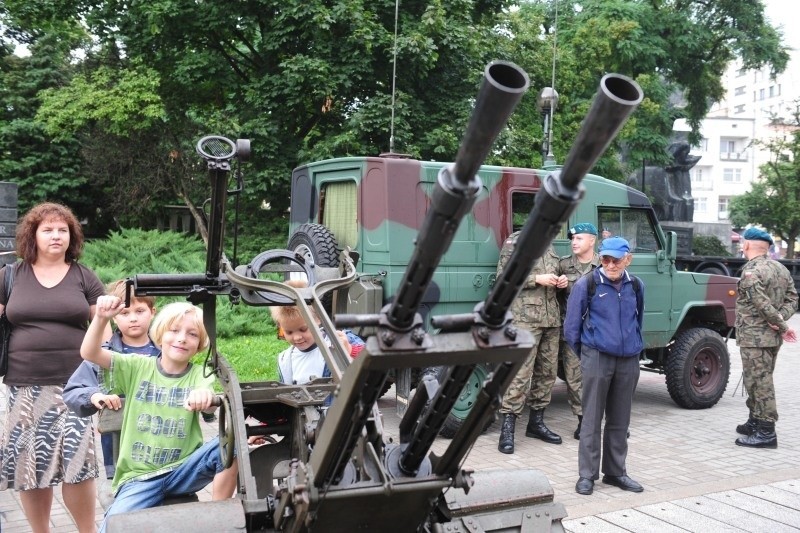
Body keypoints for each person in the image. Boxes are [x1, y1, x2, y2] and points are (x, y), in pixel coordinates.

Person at [80, 299, 239, 531]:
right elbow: (89, 352)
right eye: (174, 331)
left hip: (184, 470)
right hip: (139, 478)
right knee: (113, 526)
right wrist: (101, 317)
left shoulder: (198, 375)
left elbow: (207, 397)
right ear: (160, 334)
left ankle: (218, 518)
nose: (182, 338)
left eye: (192, 334)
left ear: (200, 344)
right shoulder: (137, 366)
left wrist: (204, 398)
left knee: (231, 445)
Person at [0, 202, 106, 533]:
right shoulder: (11, 275)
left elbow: (105, 331)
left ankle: (87, 531)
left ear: (71, 236)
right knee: (30, 469)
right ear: (32, 235)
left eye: (63, 230)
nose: (56, 236)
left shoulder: (83, 275)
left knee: (78, 464)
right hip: (24, 386)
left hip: (76, 387)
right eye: (47, 230)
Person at [564, 237, 644, 496]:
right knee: (591, 418)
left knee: (620, 419)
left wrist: (632, 346)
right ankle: (587, 475)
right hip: (597, 356)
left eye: (615, 260)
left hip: (628, 359)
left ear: (627, 259)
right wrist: (589, 354)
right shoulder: (586, 284)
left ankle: (615, 472)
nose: (609, 264)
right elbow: (571, 329)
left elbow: (637, 319)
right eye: (605, 259)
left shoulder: (636, 285)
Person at [64, 279, 159, 480]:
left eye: (140, 311)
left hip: (161, 448)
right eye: (125, 313)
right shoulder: (104, 356)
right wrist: (94, 396)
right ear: (115, 318)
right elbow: (73, 391)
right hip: (119, 454)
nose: (133, 318)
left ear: (153, 312)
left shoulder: (166, 353)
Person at [497, 238, 568, 454]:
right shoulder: (517, 240)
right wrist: (537, 278)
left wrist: (562, 282)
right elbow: (503, 279)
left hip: (551, 320)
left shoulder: (551, 244)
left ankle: (536, 423)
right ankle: (507, 429)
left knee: (547, 374)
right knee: (519, 374)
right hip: (525, 320)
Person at [734, 228, 798, 449]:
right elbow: (793, 299)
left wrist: (780, 324)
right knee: (755, 379)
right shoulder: (781, 269)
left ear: (748, 245)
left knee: (761, 383)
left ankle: (766, 433)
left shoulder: (751, 271)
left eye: (743, 243)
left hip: (755, 337)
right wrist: (781, 320)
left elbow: (761, 303)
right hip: (769, 338)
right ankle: (755, 421)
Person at [272, 280, 364, 385]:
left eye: (303, 329)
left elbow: (370, 362)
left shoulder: (338, 341)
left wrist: (350, 350)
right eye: (289, 332)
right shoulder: (285, 360)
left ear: (319, 318)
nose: (297, 337)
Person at [558, 223, 600, 440]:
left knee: (601, 378)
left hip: (599, 334)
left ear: (592, 241)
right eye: (572, 239)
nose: (574, 242)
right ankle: (583, 421)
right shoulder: (563, 266)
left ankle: (611, 421)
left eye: (579, 239)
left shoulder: (605, 264)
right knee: (574, 378)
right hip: (573, 334)